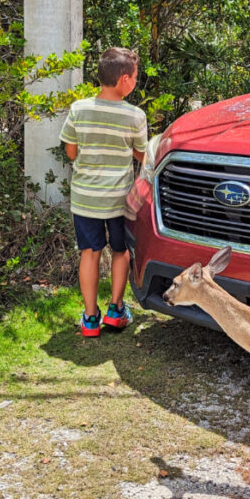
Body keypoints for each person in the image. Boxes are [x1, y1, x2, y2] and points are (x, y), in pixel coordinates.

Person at [60, 47, 147, 336]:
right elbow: (141, 156)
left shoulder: (79, 109)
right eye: (135, 77)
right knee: (120, 252)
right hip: (119, 201)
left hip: (85, 199)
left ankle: (89, 319)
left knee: (89, 252)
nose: (135, 82)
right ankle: (115, 310)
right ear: (124, 79)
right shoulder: (135, 115)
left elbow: (71, 153)